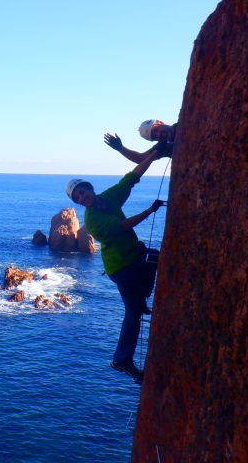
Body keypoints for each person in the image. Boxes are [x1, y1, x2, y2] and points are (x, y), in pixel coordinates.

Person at [65, 149, 165, 383]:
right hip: (121, 267)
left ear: (90, 189)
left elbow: (131, 178)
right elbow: (122, 225)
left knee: (153, 259)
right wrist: (149, 211)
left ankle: (141, 302)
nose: (82, 197)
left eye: (83, 191)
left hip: (134, 254)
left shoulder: (108, 198)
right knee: (133, 313)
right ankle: (122, 360)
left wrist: (153, 155)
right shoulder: (93, 220)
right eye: (77, 197)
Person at [104, 119, 177, 163]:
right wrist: (120, 148)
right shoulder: (163, 146)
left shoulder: (183, 123)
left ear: (160, 122)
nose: (158, 135)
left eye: (156, 130)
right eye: (154, 137)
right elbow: (140, 158)